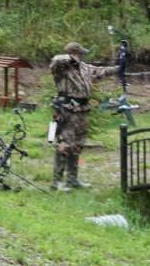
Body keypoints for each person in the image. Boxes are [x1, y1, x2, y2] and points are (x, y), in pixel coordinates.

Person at [49, 42, 119, 191]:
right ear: (73, 54)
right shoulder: (61, 68)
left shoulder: (85, 67)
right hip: (66, 110)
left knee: (77, 144)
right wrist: (70, 58)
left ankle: (72, 180)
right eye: (79, 54)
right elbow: (56, 59)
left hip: (82, 110)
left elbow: (102, 71)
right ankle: (57, 181)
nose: (81, 57)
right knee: (65, 144)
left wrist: (120, 67)